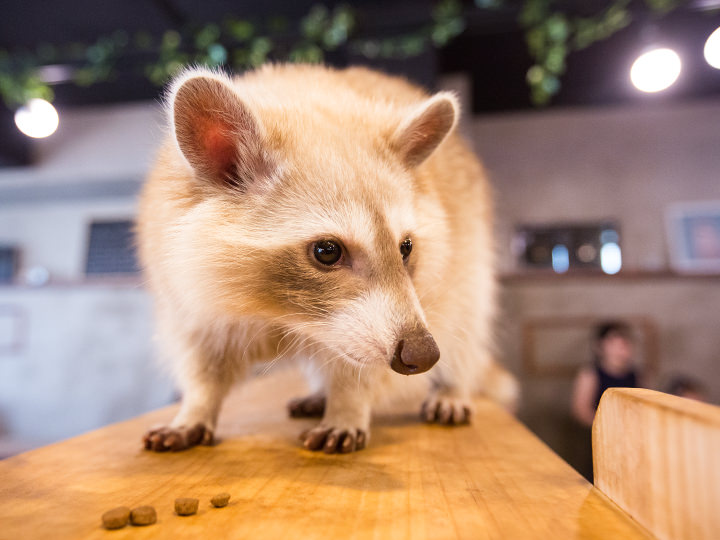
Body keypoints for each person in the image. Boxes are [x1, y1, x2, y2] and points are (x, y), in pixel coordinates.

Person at [571, 321, 639, 428]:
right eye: (613, 343)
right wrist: (608, 426)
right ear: (599, 346)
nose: (620, 348)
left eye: (624, 343)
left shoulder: (636, 374)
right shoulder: (590, 374)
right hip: (601, 431)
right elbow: (581, 411)